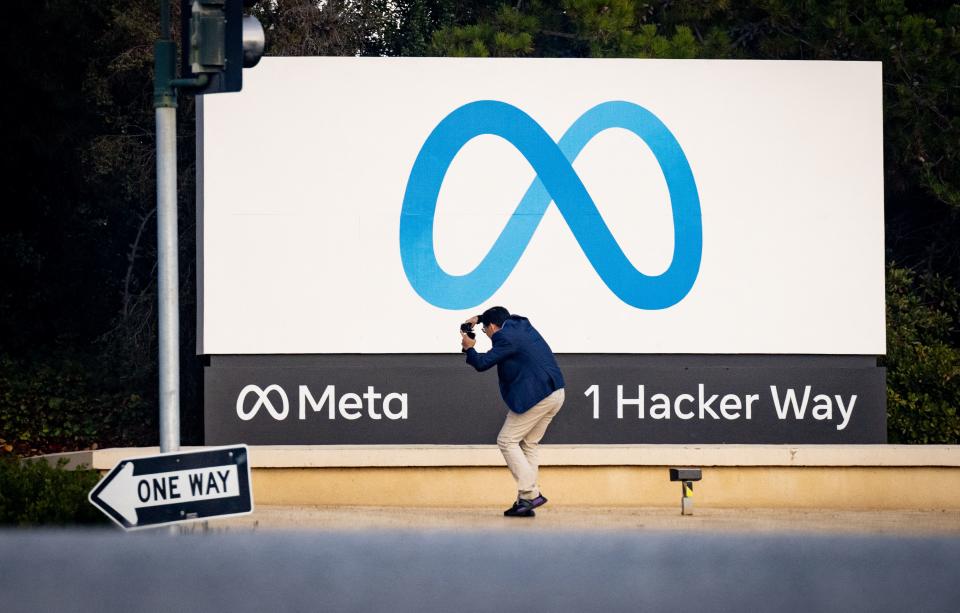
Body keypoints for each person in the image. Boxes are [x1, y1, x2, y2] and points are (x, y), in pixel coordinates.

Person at [461, 306, 565, 517]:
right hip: (556, 393)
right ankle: (524, 502)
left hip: (537, 396)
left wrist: (469, 348)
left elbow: (482, 363)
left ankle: (531, 493)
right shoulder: (520, 323)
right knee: (529, 444)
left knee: (506, 441)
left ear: (492, 327)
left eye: (485, 330)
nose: (487, 335)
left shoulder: (505, 338)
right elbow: (500, 319)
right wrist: (480, 318)